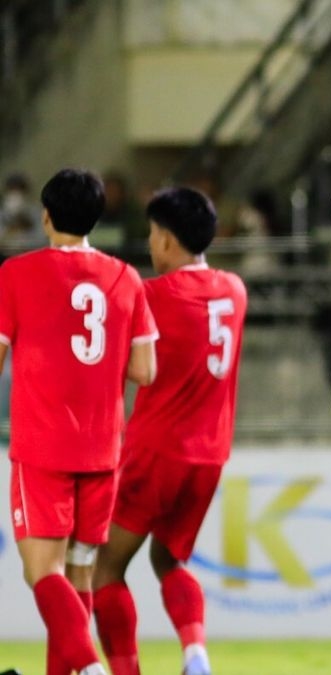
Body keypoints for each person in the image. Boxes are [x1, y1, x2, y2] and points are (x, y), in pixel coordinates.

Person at [0, 168, 158, 675]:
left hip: (42, 447)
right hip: (102, 450)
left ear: (45, 217)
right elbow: (145, 370)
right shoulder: (125, 277)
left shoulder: (16, 274)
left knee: (41, 573)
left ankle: (89, 667)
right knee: (80, 574)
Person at [89, 187, 247, 675]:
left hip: (156, 450)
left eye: (153, 233)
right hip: (209, 456)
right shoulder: (234, 291)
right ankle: (195, 654)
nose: (150, 243)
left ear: (167, 240)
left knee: (105, 569)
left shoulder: (152, 296)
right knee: (169, 561)